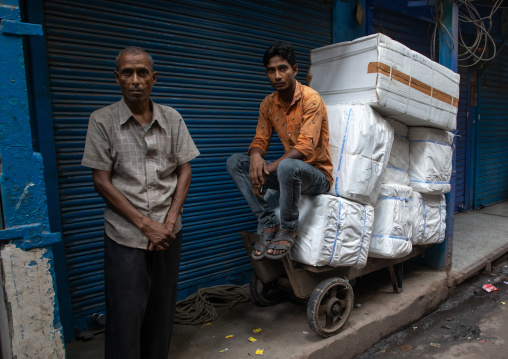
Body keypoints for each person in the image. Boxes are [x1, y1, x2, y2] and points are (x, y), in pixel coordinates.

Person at [81, 46, 199, 359]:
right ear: (117, 78)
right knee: (125, 314)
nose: (135, 79)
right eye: (128, 73)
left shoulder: (172, 119)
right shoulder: (102, 121)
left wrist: (169, 223)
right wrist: (147, 225)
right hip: (125, 234)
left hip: (168, 233)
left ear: (153, 78)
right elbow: (101, 182)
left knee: (161, 311)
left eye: (142, 73)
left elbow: (185, 170)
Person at [227, 41, 333, 260]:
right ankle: (269, 221)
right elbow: (260, 139)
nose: (277, 76)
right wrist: (255, 157)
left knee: (287, 165)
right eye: (271, 70)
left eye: (282, 68)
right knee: (235, 162)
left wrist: (266, 169)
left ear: (294, 70)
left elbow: (304, 147)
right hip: (288, 174)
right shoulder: (268, 104)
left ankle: (288, 227)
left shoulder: (311, 99)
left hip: (317, 176)